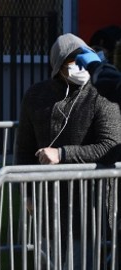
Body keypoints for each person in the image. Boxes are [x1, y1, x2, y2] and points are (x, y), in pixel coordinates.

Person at [14, 33, 121, 267]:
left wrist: (62, 154)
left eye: (83, 59)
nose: (80, 66)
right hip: (47, 209)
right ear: (58, 66)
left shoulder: (102, 93)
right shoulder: (36, 95)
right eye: (73, 61)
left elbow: (111, 146)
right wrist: (28, 194)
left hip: (90, 211)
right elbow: (24, 149)